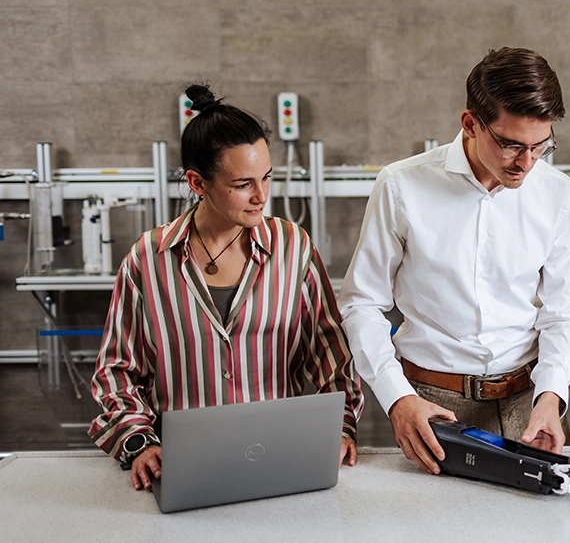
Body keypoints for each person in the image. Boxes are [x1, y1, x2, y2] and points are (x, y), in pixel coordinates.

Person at [89, 84, 364, 491]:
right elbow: (116, 372)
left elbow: (332, 353)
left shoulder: (293, 248)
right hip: (185, 467)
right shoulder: (148, 259)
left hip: (280, 460)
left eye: (266, 178)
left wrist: (340, 428)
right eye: (242, 184)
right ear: (198, 183)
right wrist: (139, 443)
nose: (261, 197)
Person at [339, 47, 570, 475]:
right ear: (470, 124)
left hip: (526, 402)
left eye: (540, 147)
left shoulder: (559, 194)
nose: (526, 163)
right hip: (428, 404)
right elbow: (362, 303)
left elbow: (565, 313)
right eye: (512, 145)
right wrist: (398, 399)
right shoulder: (402, 186)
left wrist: (551, 394)